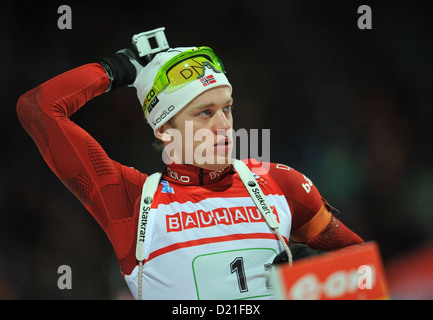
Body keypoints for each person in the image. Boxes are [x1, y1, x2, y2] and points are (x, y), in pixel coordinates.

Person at [16, 36, 363, 300]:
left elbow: (365, 279)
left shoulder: (280, 183)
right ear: (165, 129)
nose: (223, 125)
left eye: (226, 108)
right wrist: (116, 70)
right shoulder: (133, 201)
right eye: (204, 113)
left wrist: (319, 287)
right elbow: (37, 109)